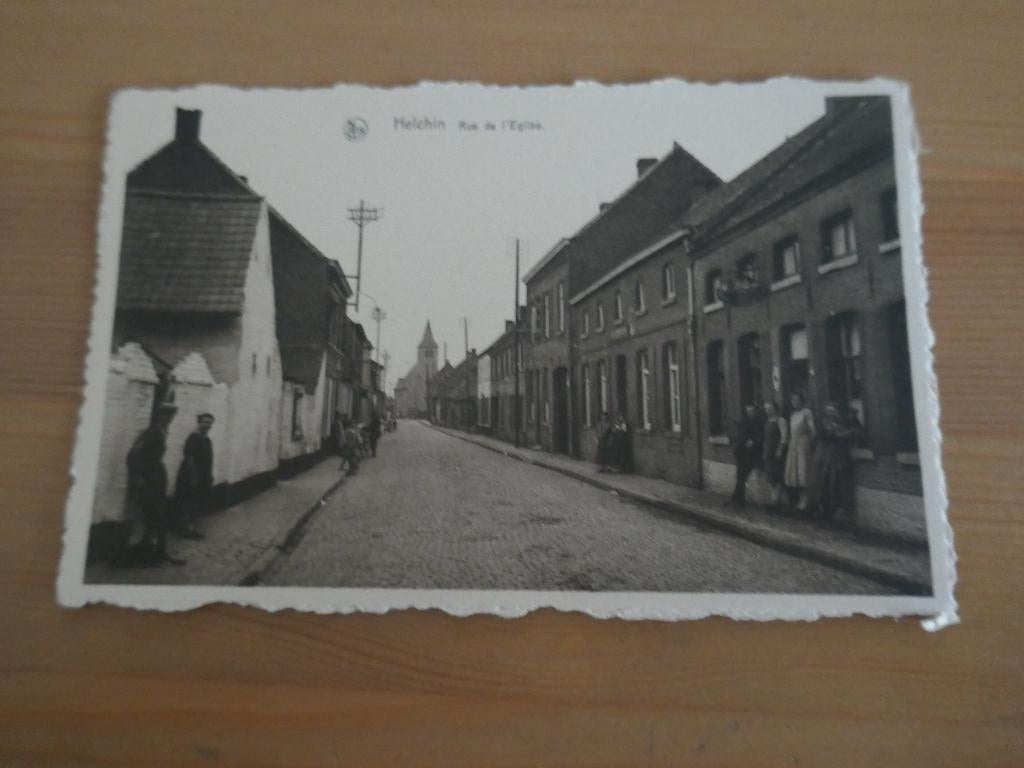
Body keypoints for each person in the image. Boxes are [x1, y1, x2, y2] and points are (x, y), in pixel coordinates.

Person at [114, 401, 184, 567]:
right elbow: (133, 455)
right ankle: (154, 553)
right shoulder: (151, 433)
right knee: (155, 514)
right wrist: (137, 476)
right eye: (167, 415)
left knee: (158, 514)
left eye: (171, 416)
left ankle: (156, 551)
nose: (170, 419)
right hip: (149, 479)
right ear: (160, 415)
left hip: (157, 477)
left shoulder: (161, 431)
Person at [808, 402, 856, 522]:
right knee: (821, 484)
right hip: (822, 458)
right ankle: (821, 511)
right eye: (828, 411)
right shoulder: (821, 422)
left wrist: (844, 433)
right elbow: (824, 435)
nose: (831, 414)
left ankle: (833, 512)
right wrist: (840, 434)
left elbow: (855, 432)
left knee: (835, 485)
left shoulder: (843, 422)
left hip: (836, 459)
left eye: (833, 411)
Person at [173, 412, 215, 540]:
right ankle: (186, 529)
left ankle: (190, 528)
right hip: (190, 475)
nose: (208, 425)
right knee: (188, 501)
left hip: (202, 476)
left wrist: (209, 474)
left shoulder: (206, 439)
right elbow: (189, 457)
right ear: (199, 422)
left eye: (210, 423)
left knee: (196, 502)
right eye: (205, 422)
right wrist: (194, 476)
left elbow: (208, 459)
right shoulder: (193, 437)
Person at [783, 392, 816, 512]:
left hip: (803, 445)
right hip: (793, 445)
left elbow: (813, 431)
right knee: (795, 473)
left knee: (803, 472)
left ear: (802, 401)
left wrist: (809, 444)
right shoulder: (793, 414)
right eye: (793, 400)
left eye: (797, 400)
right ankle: (799, 500)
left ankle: (806, 500)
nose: (795, 402)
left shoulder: (806, 413)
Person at [729, 403, 764, 507]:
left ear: (756, 411)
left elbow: (761, 436)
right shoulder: (744, 421)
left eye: (752, 411)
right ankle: (738, 498)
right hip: (742, 453)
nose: (750, 412)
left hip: (753, 454)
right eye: (748, 411)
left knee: (743, 475)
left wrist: (753, 441)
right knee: (740, 476)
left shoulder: (759, 422)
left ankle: (737, 498)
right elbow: (740, 437)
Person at [761, 400, 789, 507]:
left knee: (778, 476)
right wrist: (764, 452)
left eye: (770, 408)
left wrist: (780, 450)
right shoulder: (767, 421)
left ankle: (776, 501)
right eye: (766, 408)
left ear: (775, 408)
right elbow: (765, 439)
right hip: (768, 452)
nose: (768, 410)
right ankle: (774, 500)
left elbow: (784, 437)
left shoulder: (781, 420)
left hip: (776, 453)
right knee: (771, 477)